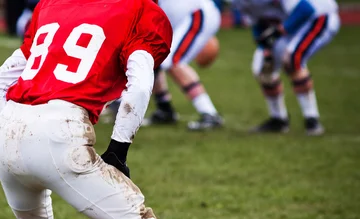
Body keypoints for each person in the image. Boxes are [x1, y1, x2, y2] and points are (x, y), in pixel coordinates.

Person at [0, 0, 172, 219]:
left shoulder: (52, 4)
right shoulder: (139, 9)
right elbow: (140, 85)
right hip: (62, 126)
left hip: (8, 124)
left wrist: (10, 133)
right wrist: (118, 149)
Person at [234, 0, 339, 135]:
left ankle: (312, 119)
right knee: (262, 69)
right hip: (289, 25)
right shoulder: (240, 3)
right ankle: (278, 120)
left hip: (318, 17)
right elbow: (258, 23)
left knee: (292, 59)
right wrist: (265, 47)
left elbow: (305, 10)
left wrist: (279, 31)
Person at [145, 0, 224, 131]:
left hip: (196, 14)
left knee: (172, 61)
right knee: (151, 59)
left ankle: (210, 113)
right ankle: (164, 110)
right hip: (180, 19)